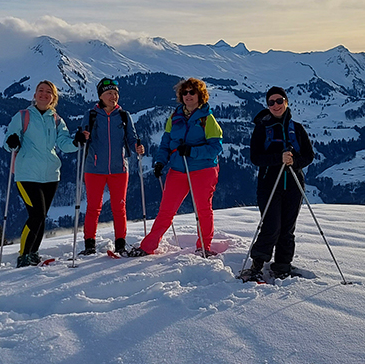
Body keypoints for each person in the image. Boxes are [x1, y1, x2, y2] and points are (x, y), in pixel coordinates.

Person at [127, 78, 223, 257]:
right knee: (166, 210)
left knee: (203, 209)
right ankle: (148, 246)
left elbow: (216, 148)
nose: (188, 96)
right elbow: (166, 143)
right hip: (178, 169)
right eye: (184, 92)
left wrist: (192, 151)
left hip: (203, 170)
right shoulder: (175, 116)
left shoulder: (207, 119)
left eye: (192, 92)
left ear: (200, 95)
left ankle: (204, 246)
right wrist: (160, 161)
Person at [242, 86, 314, 281]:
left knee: (287, 228)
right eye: (271, 102)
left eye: (279, 100)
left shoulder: (297, 129)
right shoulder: (261, 128)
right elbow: (256, 158)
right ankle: (257, 264)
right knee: (271, 226)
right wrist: (278, 158)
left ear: (286, 102)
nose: (275, 105)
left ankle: (282, 265)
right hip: (269, 185)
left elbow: (309, 155)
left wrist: (294, 162)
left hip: (293, 184)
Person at [3, 80, 79, 267]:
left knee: (41, 215)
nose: (44, 94)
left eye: (48, 92)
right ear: (34, 95)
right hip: (26, 174)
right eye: (40, 91)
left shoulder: (57, 120)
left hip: (51, 174)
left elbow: (64, 144)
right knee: (36, 214)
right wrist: (12, 141)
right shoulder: (22, 116)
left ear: (53, 97)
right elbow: (9, 142)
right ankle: (24, 255)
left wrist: (76, 142)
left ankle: (33, 253)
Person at [76, 78, 145, 255]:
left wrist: (137, 146)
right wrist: (82, 136)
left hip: (119, 168)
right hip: (94, 168)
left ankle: (120, 243)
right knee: (93, 207)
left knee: (119, 207)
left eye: (115, 93)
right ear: (100, 96)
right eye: (108, 93)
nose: (112, 96)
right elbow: (84, 138)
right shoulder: (91, 115)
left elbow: (131, 137)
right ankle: (89, 244)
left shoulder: (124, 115)